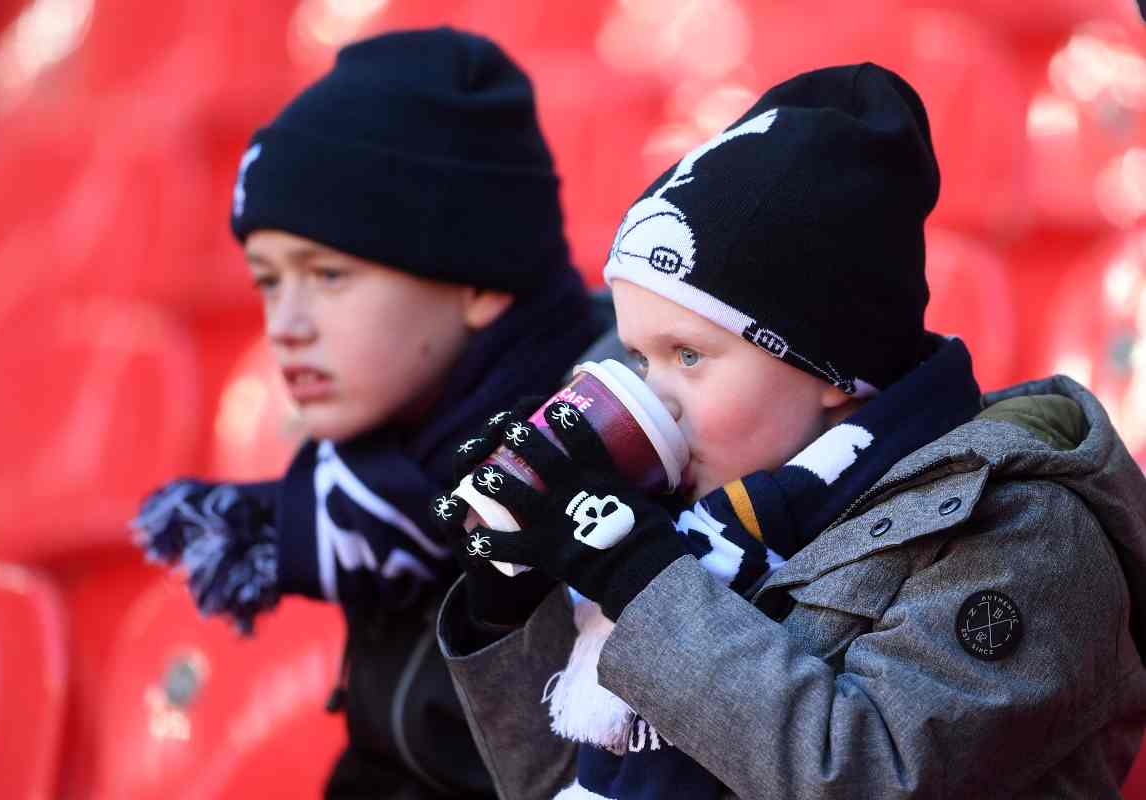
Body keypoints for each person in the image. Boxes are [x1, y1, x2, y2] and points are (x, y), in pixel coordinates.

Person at [432, 63, 1146, 799]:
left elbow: (871, 776)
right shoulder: (710, 522)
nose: (657, 397)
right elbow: (566, 786)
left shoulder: (1024, 527)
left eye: (689, 355)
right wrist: (508, 608)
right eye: (639, 356)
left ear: (832, 367)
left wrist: (637, 579)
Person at [131, 27, 604, 799]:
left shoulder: (604, 473)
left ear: (479, 280)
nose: (285, 325)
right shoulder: (383, 471)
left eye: (327, 274)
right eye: (267, 280)